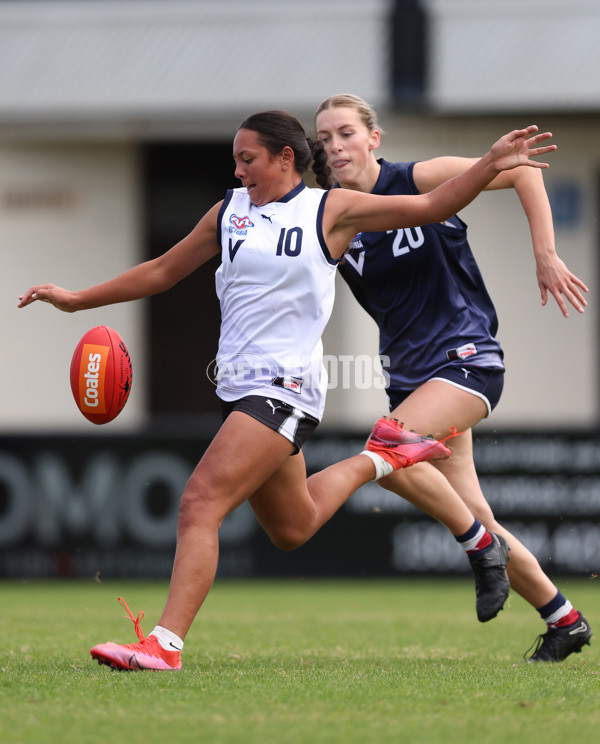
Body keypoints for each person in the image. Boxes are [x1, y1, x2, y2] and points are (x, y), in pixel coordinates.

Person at [18, 110, 556, 671]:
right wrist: (76, 299)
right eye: (235, 160)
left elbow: (432, 206)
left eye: (247, 159)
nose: (238, 170)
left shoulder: (330, 208)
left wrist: (492, 163)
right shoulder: (228, 212)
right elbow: (160, 271)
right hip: (240, 387)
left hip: (285, 388)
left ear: (284, 158)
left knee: (199, 503)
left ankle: (164, 645)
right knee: (291, 528)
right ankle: (380, 461)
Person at [314, 94, 592, 663]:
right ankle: (564, 620)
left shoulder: (417, 178)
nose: (335, 146)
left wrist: (545, 252)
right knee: (474, 510)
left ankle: (479, 548)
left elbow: (517, 170)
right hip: (411, 381)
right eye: (324, 139)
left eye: (345, 132)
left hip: (466, 358)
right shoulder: (332, 213)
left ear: (374, 138)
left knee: (385, 450)